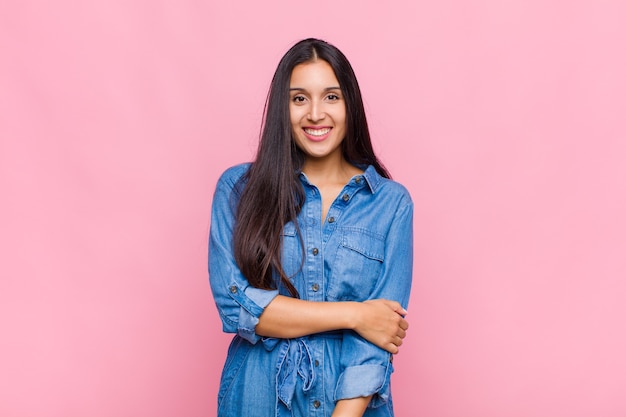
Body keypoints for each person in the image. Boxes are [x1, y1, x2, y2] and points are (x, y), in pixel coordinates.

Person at [209, 38, 413, 417]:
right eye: (299, 98)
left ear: (350, 104)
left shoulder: (390, 203)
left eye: (331, 97)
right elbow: (236, 306)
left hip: (351, 406)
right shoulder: (238, 190)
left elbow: (377, 339)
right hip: (256, 400)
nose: (316, 114)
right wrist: (355, 315)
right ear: (282, 110)